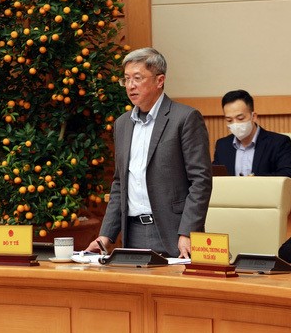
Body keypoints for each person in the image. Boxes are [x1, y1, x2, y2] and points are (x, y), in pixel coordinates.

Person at [85, 47, 212, 258]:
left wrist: (188, 232)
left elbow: (201, 181)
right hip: (132, 233)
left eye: (137, 78)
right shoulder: (122, 124)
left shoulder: (185, 118)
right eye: (126, 79)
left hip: (175, 233)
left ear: (159, 80)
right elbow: (119, 183)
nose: (130, 86)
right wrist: (105, 235)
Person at [212, 89, 291, 184]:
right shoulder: (222, 145)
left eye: (240, 118)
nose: (235, 124)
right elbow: (214, 176)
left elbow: (289, 175)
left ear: (254, 116)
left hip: (264, 193)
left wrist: (254, 181)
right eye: (229, 120)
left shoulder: (278, 142)